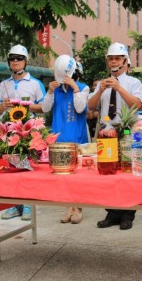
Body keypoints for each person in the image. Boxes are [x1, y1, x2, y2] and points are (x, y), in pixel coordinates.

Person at [88, 42, 142, 230]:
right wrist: (101, 89)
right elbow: (90, 106)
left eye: (117, 58)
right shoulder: (102, 83)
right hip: (107, 132)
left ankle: (128, 214)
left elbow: (138, 105)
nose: (113, 61)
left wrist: (119, 88)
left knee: (128, 173)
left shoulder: (134, 82)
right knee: (108, 172)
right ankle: (112, 212)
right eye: (111, 58)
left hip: (127, 130)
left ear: (125, 61)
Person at [0, 44, 46, 221]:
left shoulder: (35, 83)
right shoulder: (4, 84)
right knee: (11, 168)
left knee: (27, 168)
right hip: (8, 131)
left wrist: (26, 105)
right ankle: (14, 205)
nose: (15, 62)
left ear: (26, 61)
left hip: (28, 131)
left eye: (19, 58)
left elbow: (44, 106)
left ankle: (28, 205)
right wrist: (3, 106)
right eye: (12, 59)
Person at [43, 57, 90, 224]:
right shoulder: (56, 90)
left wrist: (75, 88)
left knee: (77, 177)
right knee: (63, 177)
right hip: (59, 139)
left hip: (77, 139)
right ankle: (68, 207)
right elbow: (45, 108)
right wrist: (49, 92)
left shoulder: (83, 88)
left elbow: (79, 107)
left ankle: (78, 208)